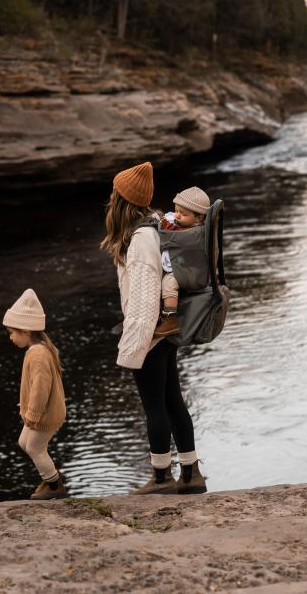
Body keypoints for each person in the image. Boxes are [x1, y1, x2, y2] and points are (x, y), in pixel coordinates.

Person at [99, 161, 207, 495]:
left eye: (114, 193)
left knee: (155, 406)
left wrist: (133, 348)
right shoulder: (154, 224)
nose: (110, 198)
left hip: (152, 334)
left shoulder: (142, 238)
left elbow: (145, 298)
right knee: (172, 400)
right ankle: (190, 473)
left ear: (122, 200)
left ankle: (162, 478)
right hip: (163, 330)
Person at [3, 288, 69, 500]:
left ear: (27, 331)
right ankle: (51, 476)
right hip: (41, 411)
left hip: (46, 412)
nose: (11, 338)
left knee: (34, 447)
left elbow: (40, 389)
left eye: (13, 332)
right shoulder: (37, 349)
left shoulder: (38, 353)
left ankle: (53, 485)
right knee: (24, 442)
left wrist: (32, 414)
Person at [155, 186, 211, 337]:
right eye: (176, 211)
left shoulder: (197, 232)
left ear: (199, 218)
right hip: (185, 265)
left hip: (193, 274)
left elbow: (168, 237)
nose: (178, 216)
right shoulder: (185, 224)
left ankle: (170, 319)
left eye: (183, 214)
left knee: (169, 282)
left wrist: (163, 227)